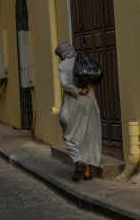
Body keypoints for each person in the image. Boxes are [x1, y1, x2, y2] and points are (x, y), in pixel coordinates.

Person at [55, 42, 101, 182]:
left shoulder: (63, 65)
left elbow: (65, 84)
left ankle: (80, 163)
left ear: (62, 54)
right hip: (91, 101)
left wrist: (77, 91)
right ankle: (87, 172)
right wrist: (86, 87)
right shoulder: (83, 60)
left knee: (69, 136)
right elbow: (94, 76)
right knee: (87, 135)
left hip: (74, 102)